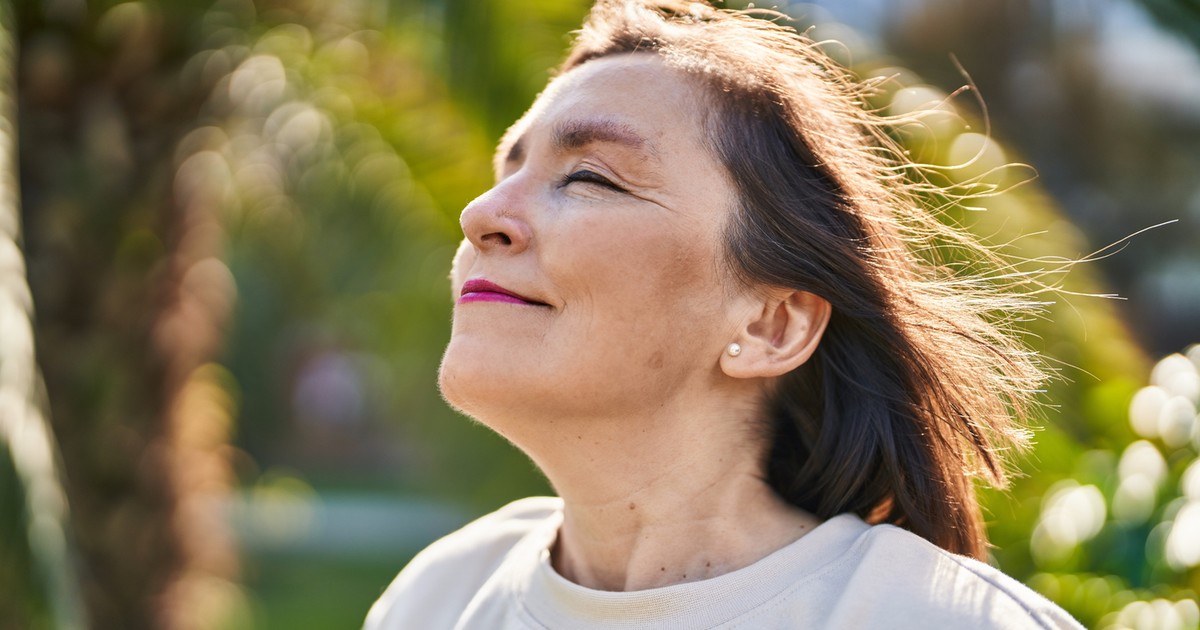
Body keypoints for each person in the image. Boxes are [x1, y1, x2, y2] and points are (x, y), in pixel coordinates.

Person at [365, 1, 1084, 628]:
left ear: (772, 325)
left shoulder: (941, 621)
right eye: (507, 174)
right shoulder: (439, 598)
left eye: (588, 177)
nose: (480, 215)